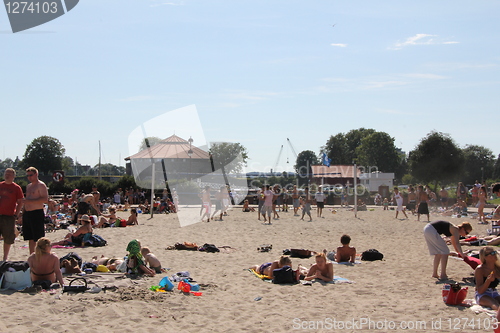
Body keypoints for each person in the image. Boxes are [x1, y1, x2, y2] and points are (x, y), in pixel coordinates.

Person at [0, 168, 24, 261]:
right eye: (6, 173)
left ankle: (5, 257)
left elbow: (20, 202)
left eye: (9, 174)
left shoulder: (16, 188)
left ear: (13, 176)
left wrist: (16, 214)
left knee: (8, 237)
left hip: (9, 216)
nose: (7, 175)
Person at [23, 167, 49, 255]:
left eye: (31, 175)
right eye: (27, 175)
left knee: (38, 237)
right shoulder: (29, 186)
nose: (29, 177)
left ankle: (41, 255)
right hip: (28, 213)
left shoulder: (41, 185)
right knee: (30, 237)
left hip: (36, 212)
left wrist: (30, 201)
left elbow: (45, 199)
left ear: (36, 174)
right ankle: (32, 255)